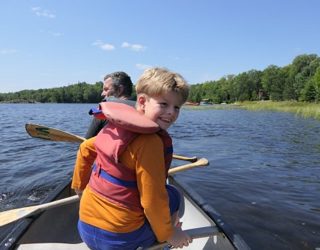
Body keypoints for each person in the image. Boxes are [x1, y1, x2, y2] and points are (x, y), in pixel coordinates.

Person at [71, 67, 192, 249]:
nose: (171, 113)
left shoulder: (114, 127)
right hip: (120, 240)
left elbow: (85, 149)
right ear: (142, 102)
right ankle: (169, 238)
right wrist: (169, 233)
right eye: (164, 104)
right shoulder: (150, 143)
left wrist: (79, 188)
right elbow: (153, 201)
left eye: (176, 107)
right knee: (174, 195)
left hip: (85, 228)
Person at [85, 71, 135, 139]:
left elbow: (85, 143)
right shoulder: (143, 113)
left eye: (106, 89)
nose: (102, 94)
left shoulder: (103, 113)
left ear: (120, 90)